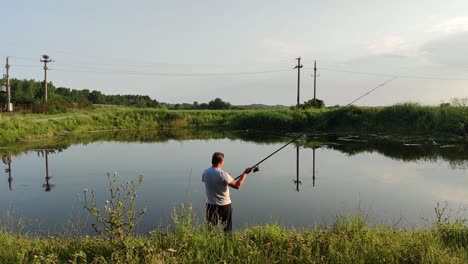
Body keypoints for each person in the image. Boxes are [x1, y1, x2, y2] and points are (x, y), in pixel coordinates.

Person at [202, 152, 252, 233]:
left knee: (210, 229)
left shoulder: (205, 172)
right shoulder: (223, 174)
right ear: (221, 161)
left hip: (210, 205)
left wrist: (226, 178)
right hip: (224, 205)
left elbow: (212, 181)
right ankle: (227, 244)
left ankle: (210, 243)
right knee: (227, 229)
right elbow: (237, 186)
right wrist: (245, 173)